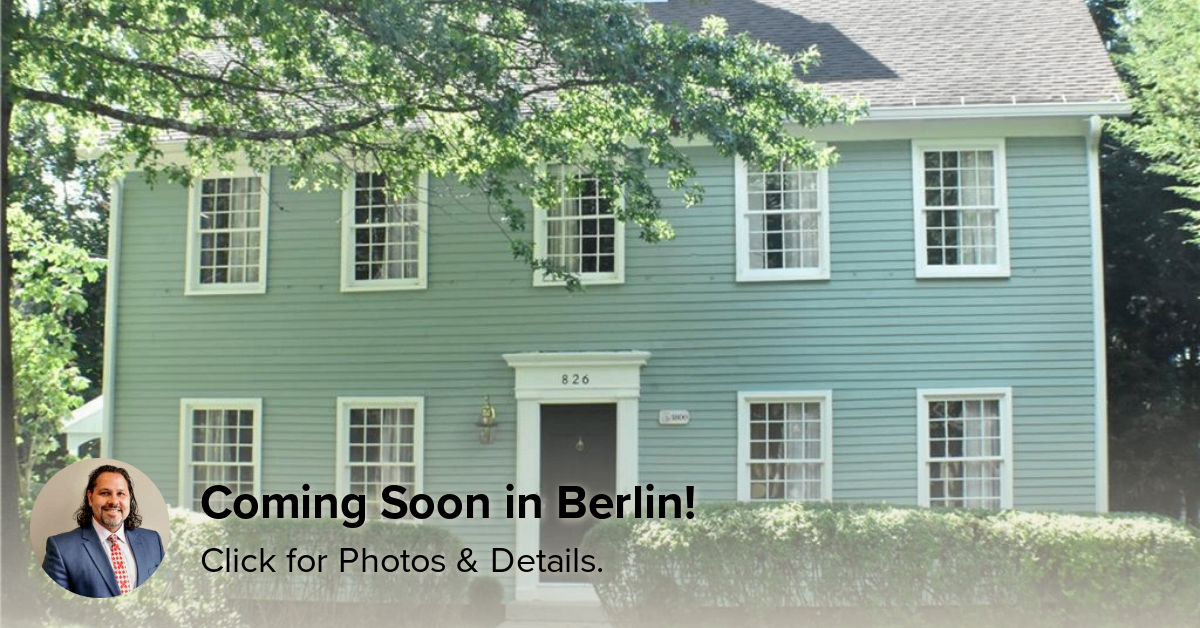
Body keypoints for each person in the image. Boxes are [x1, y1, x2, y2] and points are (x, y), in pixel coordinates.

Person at [42, 464, 165, 597]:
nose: (113, 501)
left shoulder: (153, 541)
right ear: (90, 498)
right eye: (105, 493)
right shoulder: (61, 548)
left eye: (121, 493)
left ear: (129, 498)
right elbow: (55, 603)